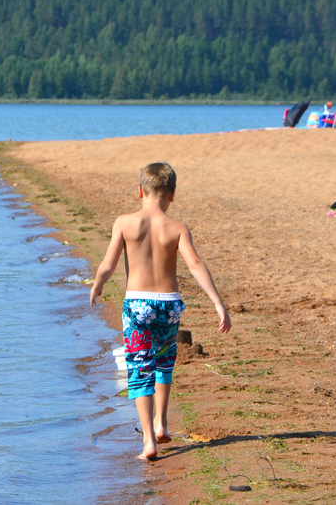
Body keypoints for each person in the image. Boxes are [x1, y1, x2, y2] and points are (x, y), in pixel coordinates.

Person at [89, 162, 232, 461]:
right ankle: (161, 424)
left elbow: (108, 265)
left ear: (139, 191)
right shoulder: (177, 228)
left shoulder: (124, 223)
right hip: (170, 306)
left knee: (140, 371)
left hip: (138, 306)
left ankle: (149, 443)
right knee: (165, 364)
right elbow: (195, 265)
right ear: (173, 195)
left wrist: (97, 286)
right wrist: (218, 303)